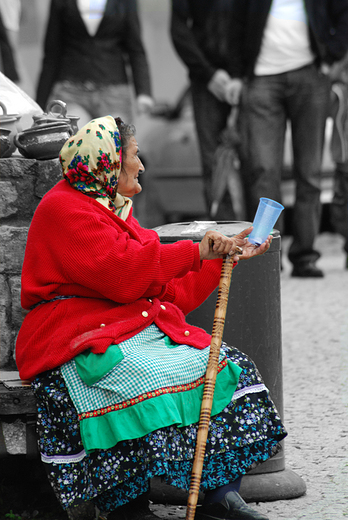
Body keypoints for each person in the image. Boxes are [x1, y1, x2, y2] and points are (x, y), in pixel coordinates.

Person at [15, 115, 286, 520]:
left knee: (224, 364)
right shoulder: (64, 209)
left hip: (127, 326)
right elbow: (124, 274)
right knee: (140, 376)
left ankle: (220, 496)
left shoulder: (115, 210)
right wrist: (196, 251)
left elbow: (169, 290)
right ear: (107, 162)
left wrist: (224, 257)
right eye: (134, 156)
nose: (141, 166)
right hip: (77, 334)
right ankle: (128, 505)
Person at [225, 0, 348, 278]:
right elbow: (235, 26)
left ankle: (305, 255)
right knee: (264, 170)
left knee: (310, 172)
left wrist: (331, 57)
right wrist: (236, 74)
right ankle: (265, 253)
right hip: (260, 79)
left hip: (311, 75)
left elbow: (343, 14)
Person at [170, 0, 242, 221]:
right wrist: (208, 74)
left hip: (249, 80)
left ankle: (263, 244)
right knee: (213, 166)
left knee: (259, 166)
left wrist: (241, 77)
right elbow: (178, 31)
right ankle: (226, 242)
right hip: (205, 82)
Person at [36, 0, 154, 126]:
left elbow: (135, 49)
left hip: (114, 93)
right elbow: (52, 54)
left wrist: (143, 93)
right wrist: (40, 104)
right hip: (71, 91)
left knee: (111, 140)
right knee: (75, 139)